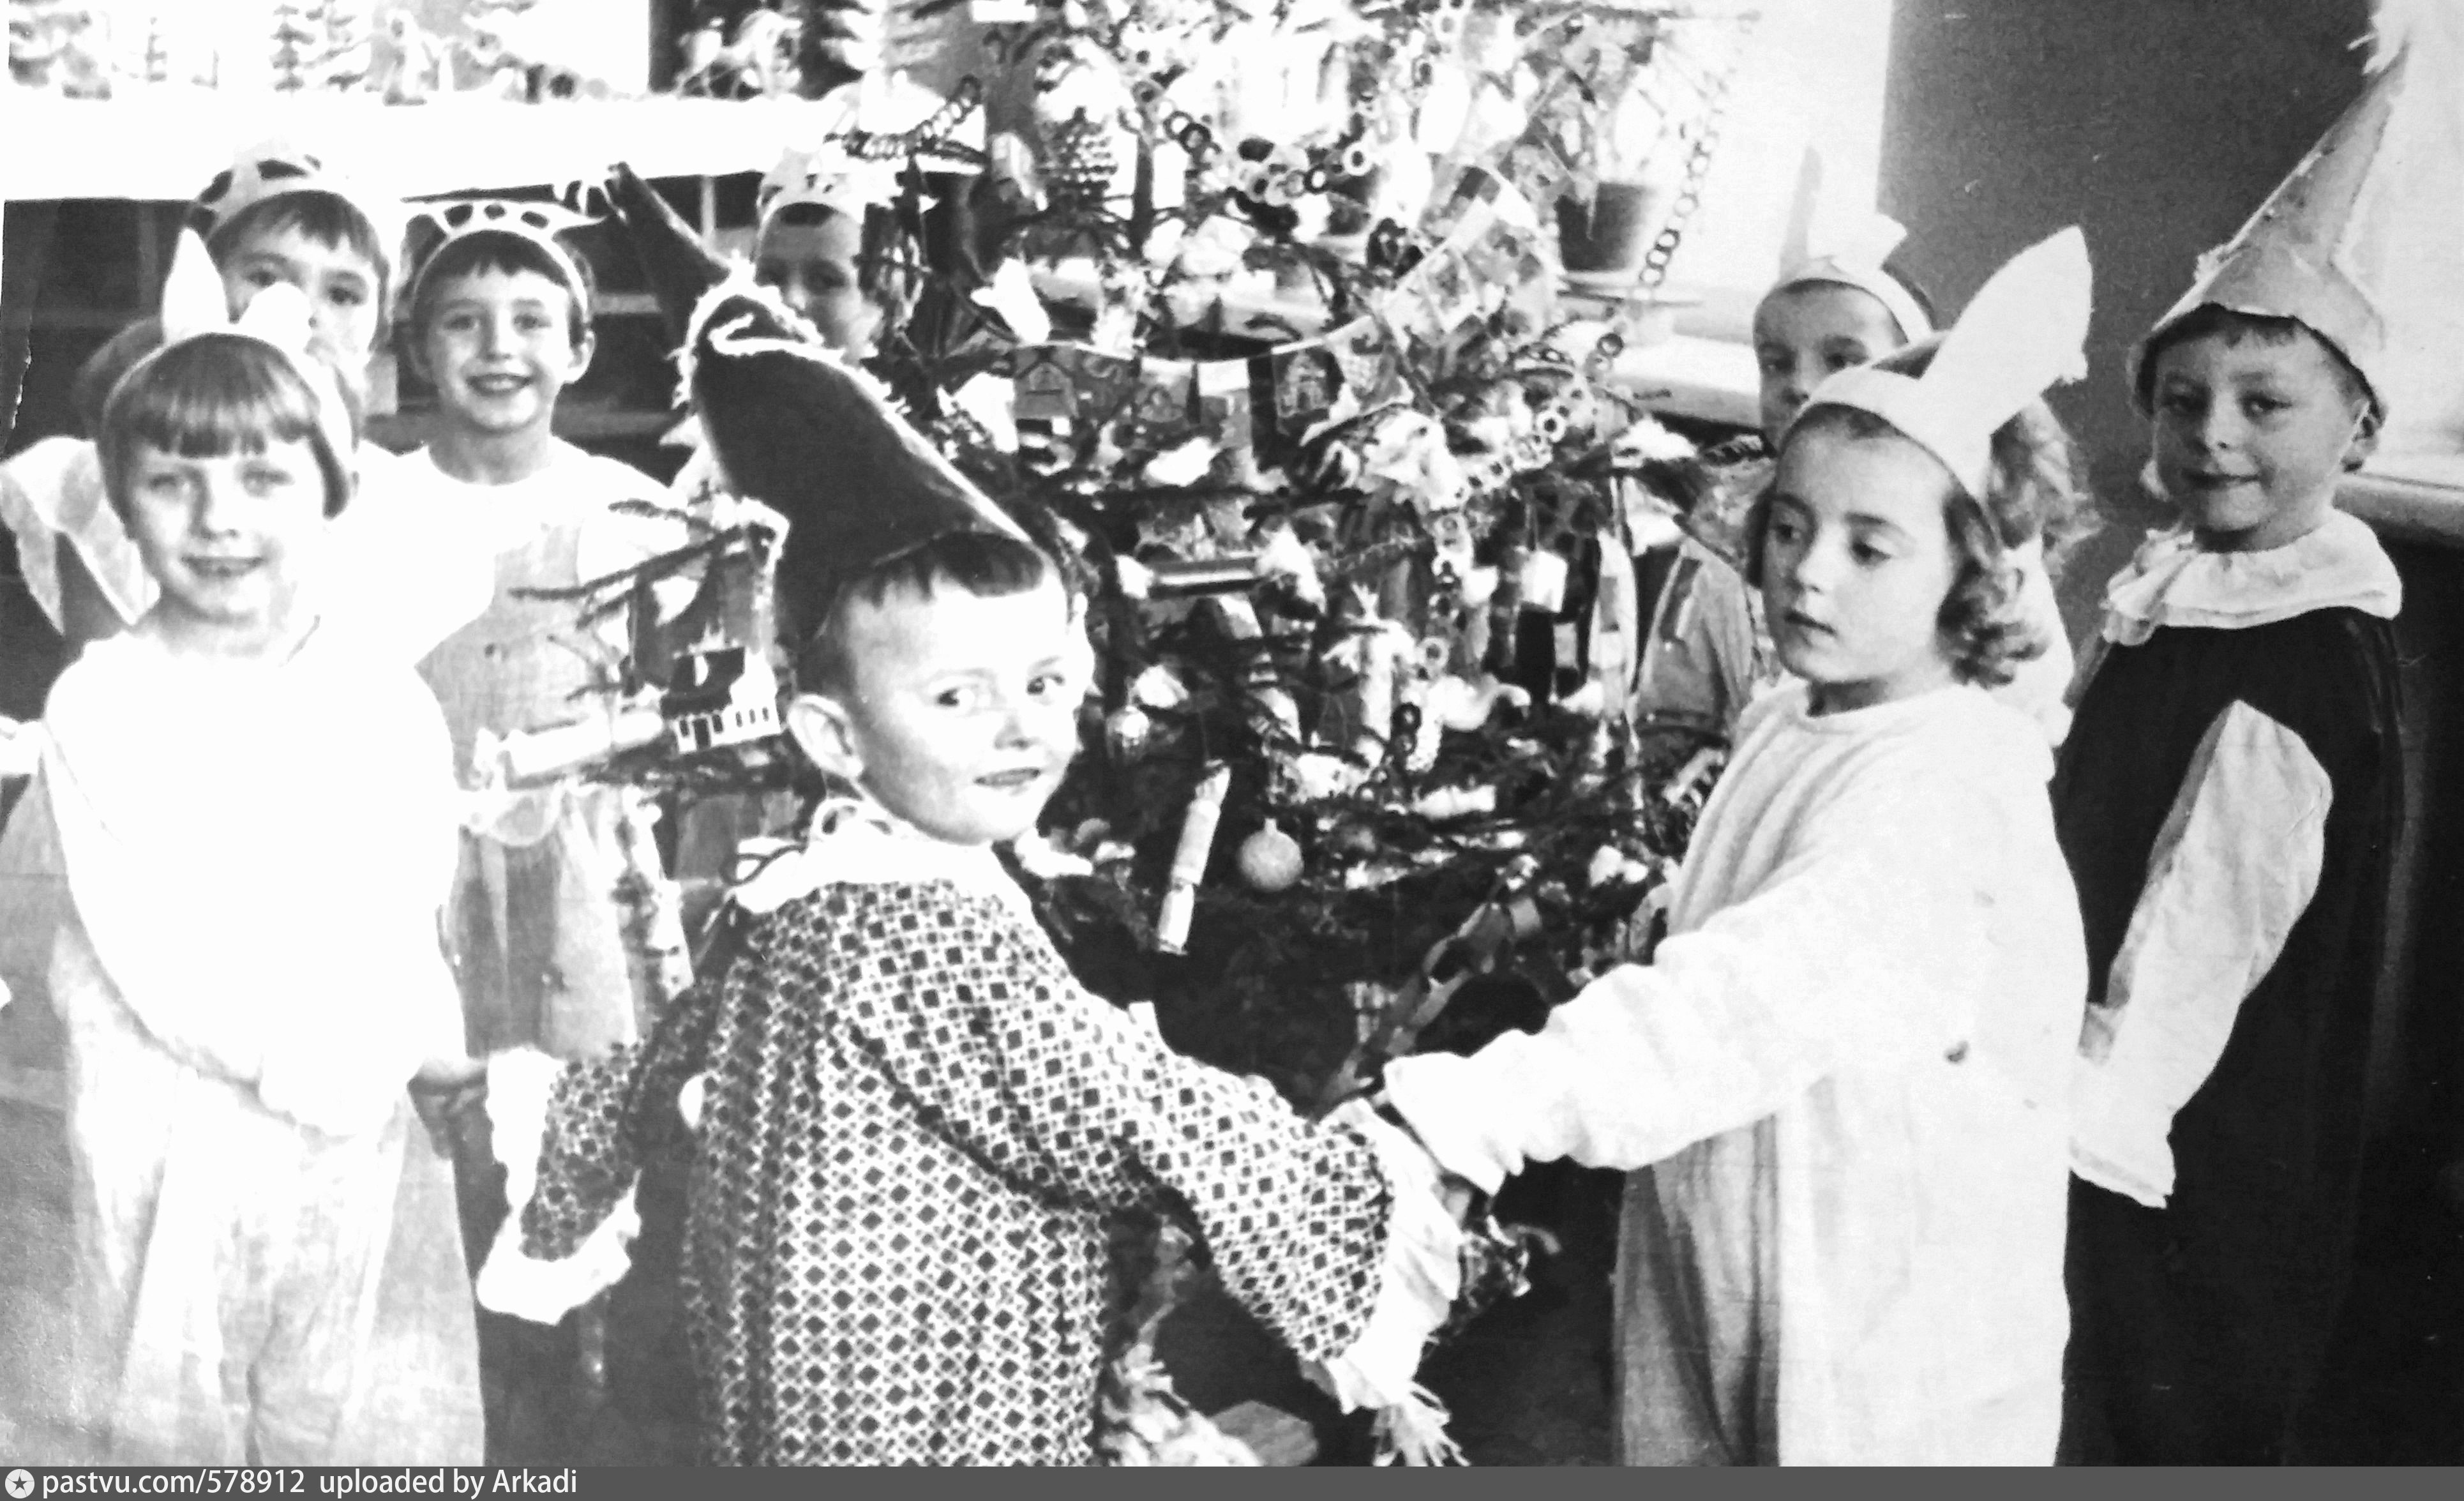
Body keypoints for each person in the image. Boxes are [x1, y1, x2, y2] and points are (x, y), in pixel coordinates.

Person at [473, 277, 1466, 1465]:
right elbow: (1140, 1109)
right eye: (958, 696)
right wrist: (1363, 1179)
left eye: (1044, 682)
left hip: (810, 1394)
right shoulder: (930, 934)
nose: (1022, 728)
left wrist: (561, 1161)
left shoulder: (810, 895)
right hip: (933, 1400)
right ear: (835, 736)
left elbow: (654, 1065)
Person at [1373, 230, 2098, 1465]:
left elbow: (1748, 992)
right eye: (1791, 528)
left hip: (1885, 1289)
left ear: (1972, 576)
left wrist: (1481, 1111)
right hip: (1752, 1213)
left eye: (1871, 547)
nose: (1808, 574)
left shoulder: (1949, 782)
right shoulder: (1793, 713)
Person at [0, 237, 482, 1464]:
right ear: (122, 501)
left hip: (354, 1123)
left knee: (339, 1405)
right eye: (173, 482)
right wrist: (341, 1063)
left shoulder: (381, 698)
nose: (219, 519)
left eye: (265, 479)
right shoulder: (105, 703)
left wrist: (421, 1043)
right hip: (170, 1122)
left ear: (333, 494)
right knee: (171, 1410)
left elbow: (403, 906)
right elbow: (171, 954)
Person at [2055, 55, 2408, 1465]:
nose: (2212, 433)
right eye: (2182, 397)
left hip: (2172, 1117)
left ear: (2359, 424)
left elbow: (2206, 924)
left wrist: (2086, 1121)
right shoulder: (2188, 584)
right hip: (2099, 1045)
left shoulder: (2294, 659)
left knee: (2150, 1385)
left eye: (2265, 404)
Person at [1635, 160, 2076, 748]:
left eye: (1843, 361)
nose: (1799, 384)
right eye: (1776, 362)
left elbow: (2018, 711)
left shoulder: (1976, 546)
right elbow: (1676, 710)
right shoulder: (1723, 527)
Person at [398, 199, 691, 1065]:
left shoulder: (627, 510)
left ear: (579, 351)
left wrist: (585, 745)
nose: (498, 347)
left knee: (584, 1092)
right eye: (463, 322)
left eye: (531, 321)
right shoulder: (375, 506)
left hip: (583, 869)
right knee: (434, 1090)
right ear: (418, 351)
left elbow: (696, 697)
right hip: (412, 863)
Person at [1, 138, 417, 656]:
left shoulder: (401, 507)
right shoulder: (111, 481)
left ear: (380, 328)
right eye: (265, 277)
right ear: (205, 283)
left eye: (343, 294)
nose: (303, 308)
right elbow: (101, 682)